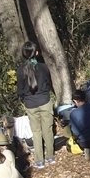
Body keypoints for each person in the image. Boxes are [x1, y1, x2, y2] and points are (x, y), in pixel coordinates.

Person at [16, 41, 56, 169]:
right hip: (44, 101)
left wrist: (26, 97)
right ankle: (50, 157)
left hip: (30, 104)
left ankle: (39, 161)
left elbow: (20, 91)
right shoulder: (43, 67)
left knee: (36, 132)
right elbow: (49, 84)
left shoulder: (20, 70)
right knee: (48, 130)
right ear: (36, 53)